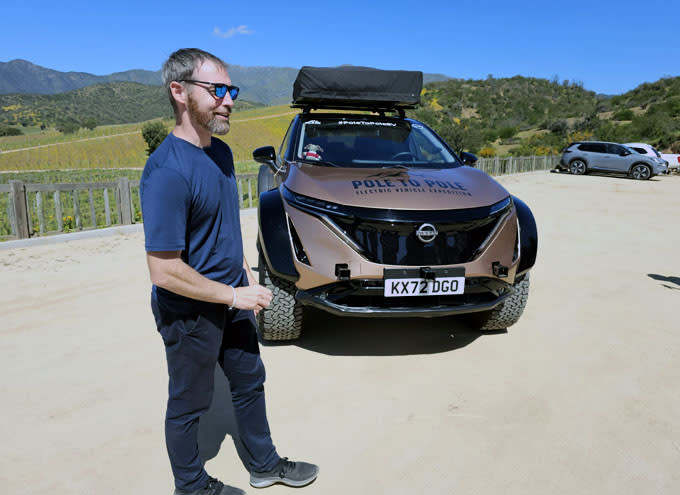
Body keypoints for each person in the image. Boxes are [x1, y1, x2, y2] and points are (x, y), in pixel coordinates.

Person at [140, 48, 319, 495]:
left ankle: (264, 464)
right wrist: (233, 296)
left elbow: (223, 224)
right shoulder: (165, 171)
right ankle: (192, 487)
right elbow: (163, 270)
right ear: (179, 92)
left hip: (233, 294)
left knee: (248, 380)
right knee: (189, 401)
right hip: (190, 311)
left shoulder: (219, 153)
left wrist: (245, 274)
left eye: (231, 90)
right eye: (216, 89)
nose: (229, 100)